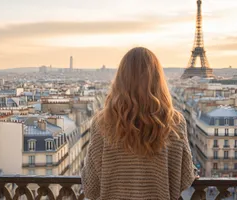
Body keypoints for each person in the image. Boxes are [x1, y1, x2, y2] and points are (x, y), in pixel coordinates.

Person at [81, 47, 197, 200]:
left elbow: (91, 188)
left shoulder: (101, 122)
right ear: (158, 79)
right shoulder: (175, 121)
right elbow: (184, 178)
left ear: (120, 79)